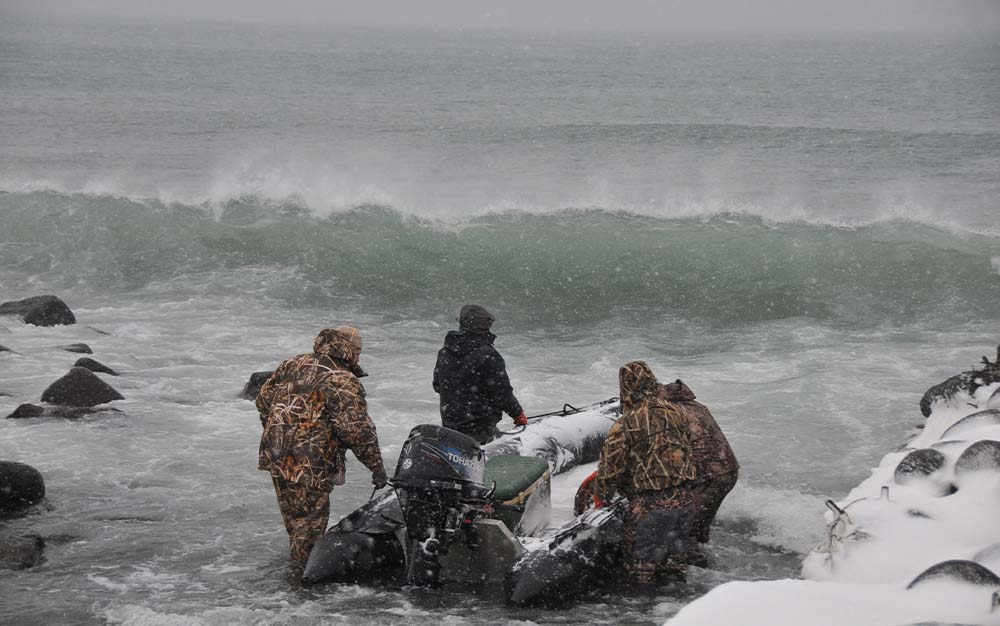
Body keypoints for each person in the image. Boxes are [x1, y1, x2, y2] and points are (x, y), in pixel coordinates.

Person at [256, 326, 387, 567]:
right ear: (348, 351)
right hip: (310, 463)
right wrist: (377, 469)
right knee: (309, 532)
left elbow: (263, 400)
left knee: (296, 525)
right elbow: (356, 431)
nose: (359, 357)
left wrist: (281, 433)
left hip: (276, 455)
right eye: (357, 352)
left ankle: (293, 581)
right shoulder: (341, 379)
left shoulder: (294, 363)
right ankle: (301, 590)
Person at [592, 361, 698, 584]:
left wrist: (601, 495)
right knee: (675, 573)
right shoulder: (677, 412)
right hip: (686, 502)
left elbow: (610, 467)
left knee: (640, 576)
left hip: (650, 507)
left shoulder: (627, 423)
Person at [658, 379, 739, 549]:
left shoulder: (669, 411)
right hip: (729, 470)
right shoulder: (695, 405)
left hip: (709, 477)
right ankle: (705, 558)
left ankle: (698, 567)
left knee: (686, 530)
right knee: (700, 523)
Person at [432, 304, 527, 444]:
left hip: (450, 428)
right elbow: (502, 394)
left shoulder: (445, 352)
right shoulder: (487, 355)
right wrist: (518, 415)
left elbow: (437, 386)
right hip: (480, 431)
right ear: (483, 327)